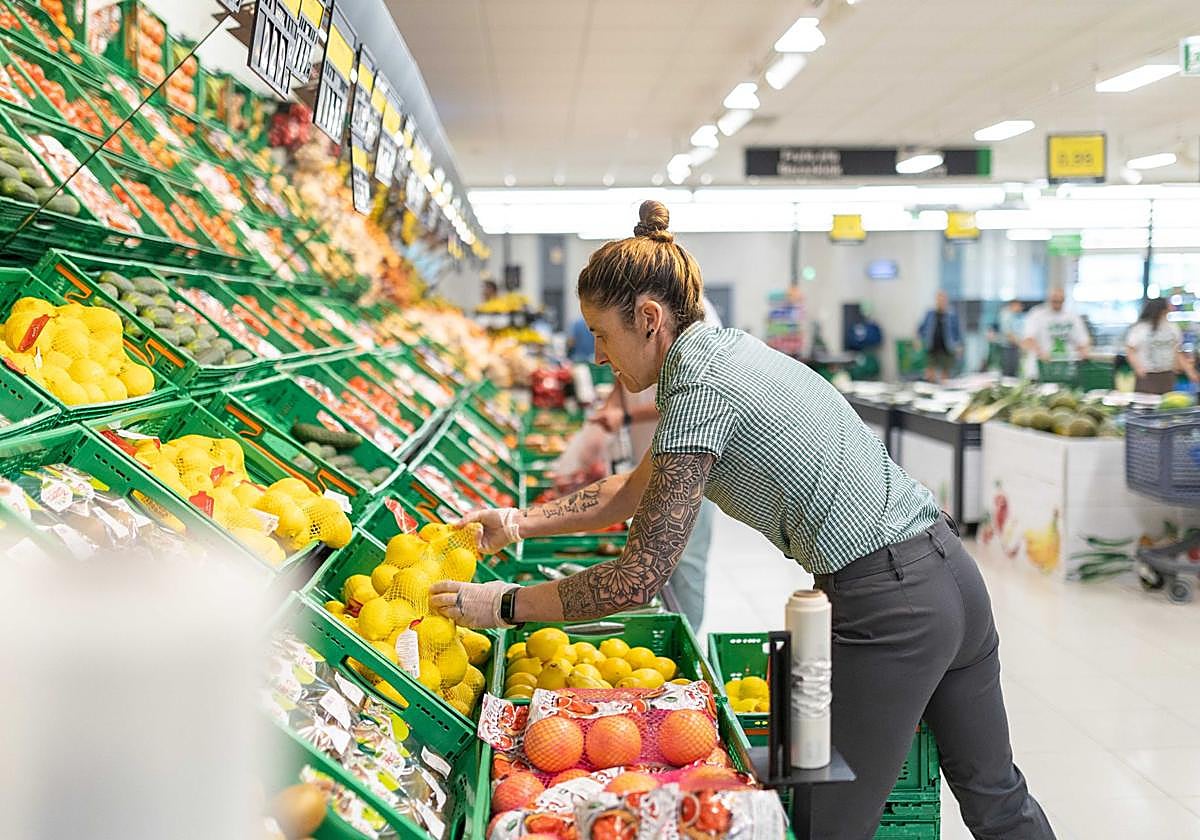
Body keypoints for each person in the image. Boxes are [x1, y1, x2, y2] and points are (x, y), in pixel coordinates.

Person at [431, 201, 1055, 840]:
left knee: (825, 827)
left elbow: (635, 581)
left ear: (648, 319)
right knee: (998, 798)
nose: (596, 356)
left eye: (601, 334)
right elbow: (632, 491)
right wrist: (516, 523)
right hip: (948, 572)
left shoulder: (699, 385)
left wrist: (503, 606)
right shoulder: (724, 352)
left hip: (889, 606)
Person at [587, 295, 724, 630]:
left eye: (604, 337)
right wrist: (611, 405)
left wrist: (627, 414)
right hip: (648, 456)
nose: (600, 355)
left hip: (693, 461)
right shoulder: (629, 315)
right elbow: (622, 375)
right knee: (654, 556)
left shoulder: (697, 319)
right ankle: (664, 628)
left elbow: (688, 400)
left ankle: (687, 641)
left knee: (685, 560)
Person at [1126, 297, 1199, 394]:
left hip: (1167, 374)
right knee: (1146, 405)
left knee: (1166, 404)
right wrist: (1138, 369)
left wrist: (1190, 371)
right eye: (1169, 305)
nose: (1172, 307)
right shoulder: (1141, 328)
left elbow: (1177, 351)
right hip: (1147, 375)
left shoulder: (1172, 327)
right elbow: (1130, 349)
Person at [1021, 288, 1090, 369]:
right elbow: (1028, 340)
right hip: (1040, 369)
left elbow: (1083, 341)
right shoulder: (1036, 315)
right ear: (1049, 299)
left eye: (1060, 301)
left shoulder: (1072, 317)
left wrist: (1084, 352)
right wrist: (1040, 353)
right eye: (1054, 300)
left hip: (1066, 369)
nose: (1057, 303)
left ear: (1064, 300)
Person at [917, 291, 961, 382]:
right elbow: (921, 329)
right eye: (939, 299)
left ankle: (945, 394)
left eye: (943, 299)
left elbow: (958, 333)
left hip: (947, 349)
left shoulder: (952, 315)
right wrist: (918, 340)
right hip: (932, 348)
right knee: (929, 375)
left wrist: (959, 346)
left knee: (945, 376)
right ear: (936, 301)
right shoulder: (929, 314)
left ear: (946, 301)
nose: (941, 302)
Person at [996, 300, 1025, 377]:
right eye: (1019, 306)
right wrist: (1021, 345)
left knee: (1014, 372)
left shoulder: (1015, 316)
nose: (1021, 308)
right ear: (1013, 305)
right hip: (1008, 348)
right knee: (1008, 373)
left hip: (1014, 347)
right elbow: (1009, 334)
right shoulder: (1006, 315)